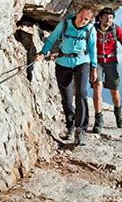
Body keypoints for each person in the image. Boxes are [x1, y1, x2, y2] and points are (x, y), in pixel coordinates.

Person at [35, 7, 97, 146]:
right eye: (81, 17)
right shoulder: (64, 25)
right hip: (63, 63)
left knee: (81, 93)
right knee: (67, 98)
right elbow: (51, 40)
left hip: (82, 62)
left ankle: (81, 130)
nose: (82, 21)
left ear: (90, 20)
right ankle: (71, 127)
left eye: (86, 19)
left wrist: (93, 67)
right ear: (77, 14)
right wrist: (43, 52)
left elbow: (93, 48)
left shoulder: (90, 30)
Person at [92, 7, 122, 133]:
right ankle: (99, 120)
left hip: (112, 62)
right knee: (97, 87)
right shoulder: (92, 29)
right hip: (96, 62)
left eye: (110, 18)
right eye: (105, 17)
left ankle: (118, 112)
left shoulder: (116, 30)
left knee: (114, 91)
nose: (108, 20)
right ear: (100, 18)